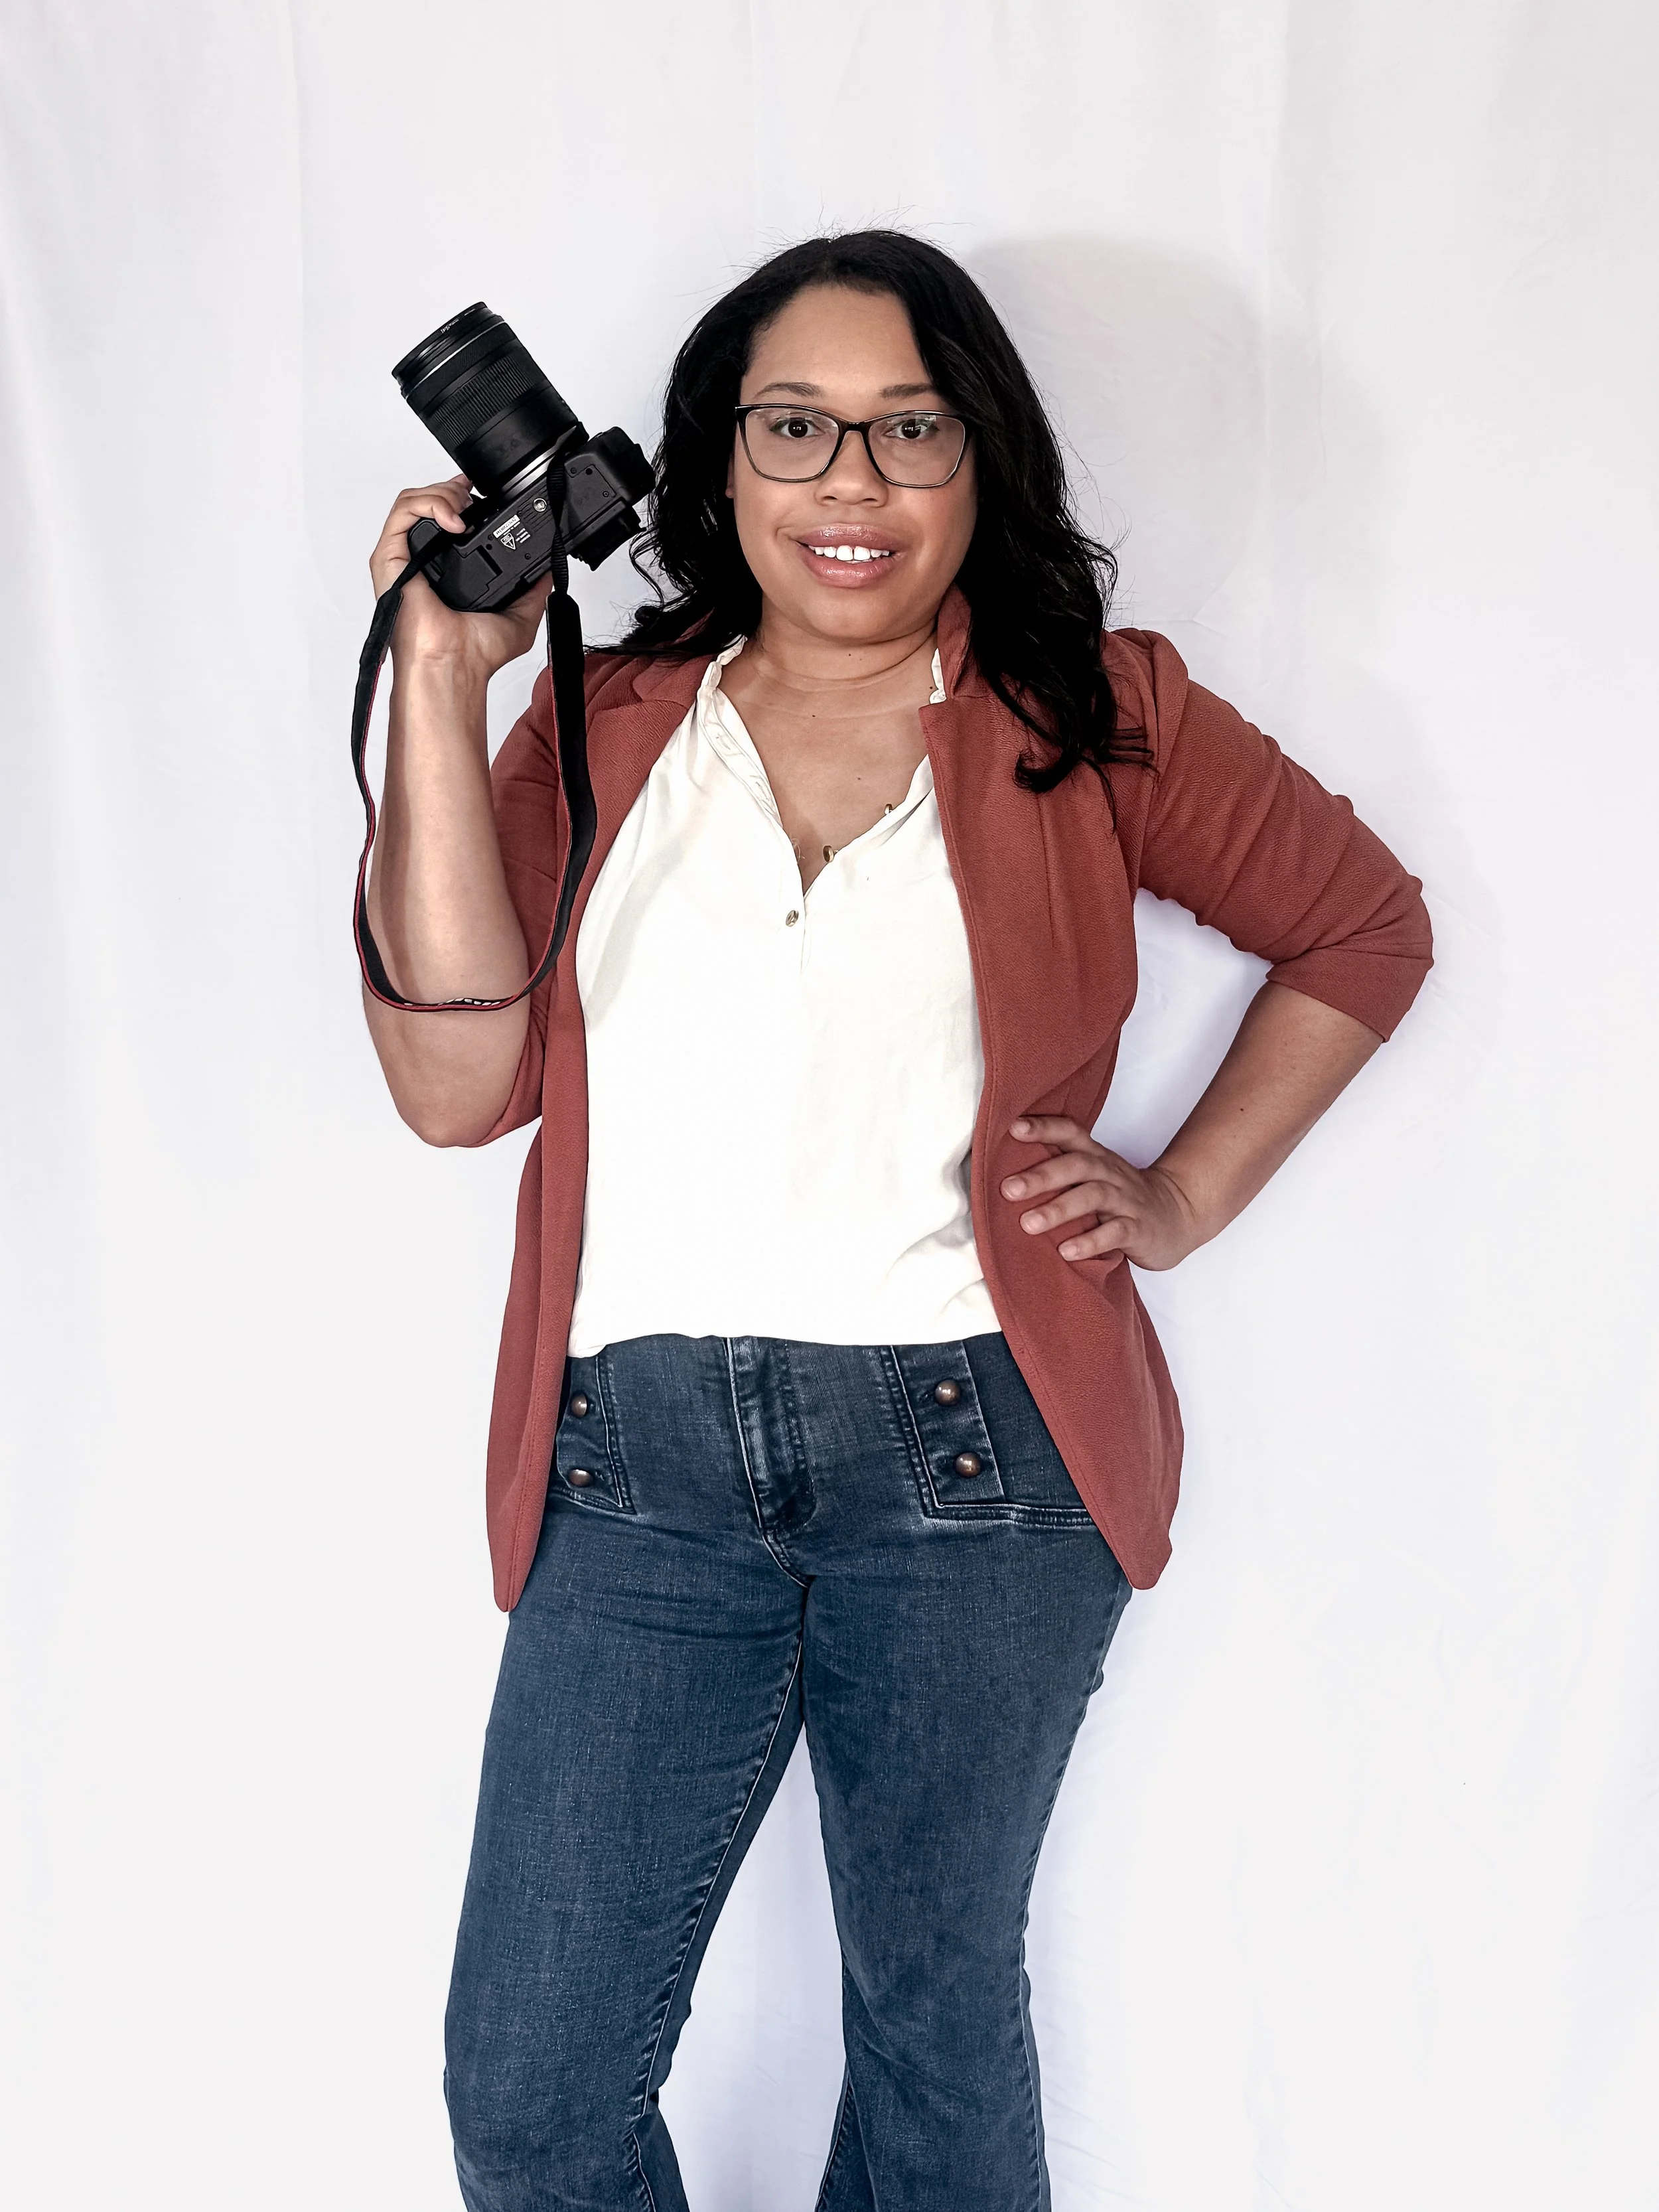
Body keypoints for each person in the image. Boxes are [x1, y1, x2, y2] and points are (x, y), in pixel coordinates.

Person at [362, 230, 1431, 2212]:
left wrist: (1181, 1190)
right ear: (712, 462)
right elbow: (453, 1084)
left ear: (977, 458)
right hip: (632, 1477)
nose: (847, 485)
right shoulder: (608, 723)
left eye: (902, 429)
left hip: (978, 1467)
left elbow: (1359, 925)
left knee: (930, 2033)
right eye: (792, 428)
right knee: (528, 2085)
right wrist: (441, 682)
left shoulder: (1090, 712)